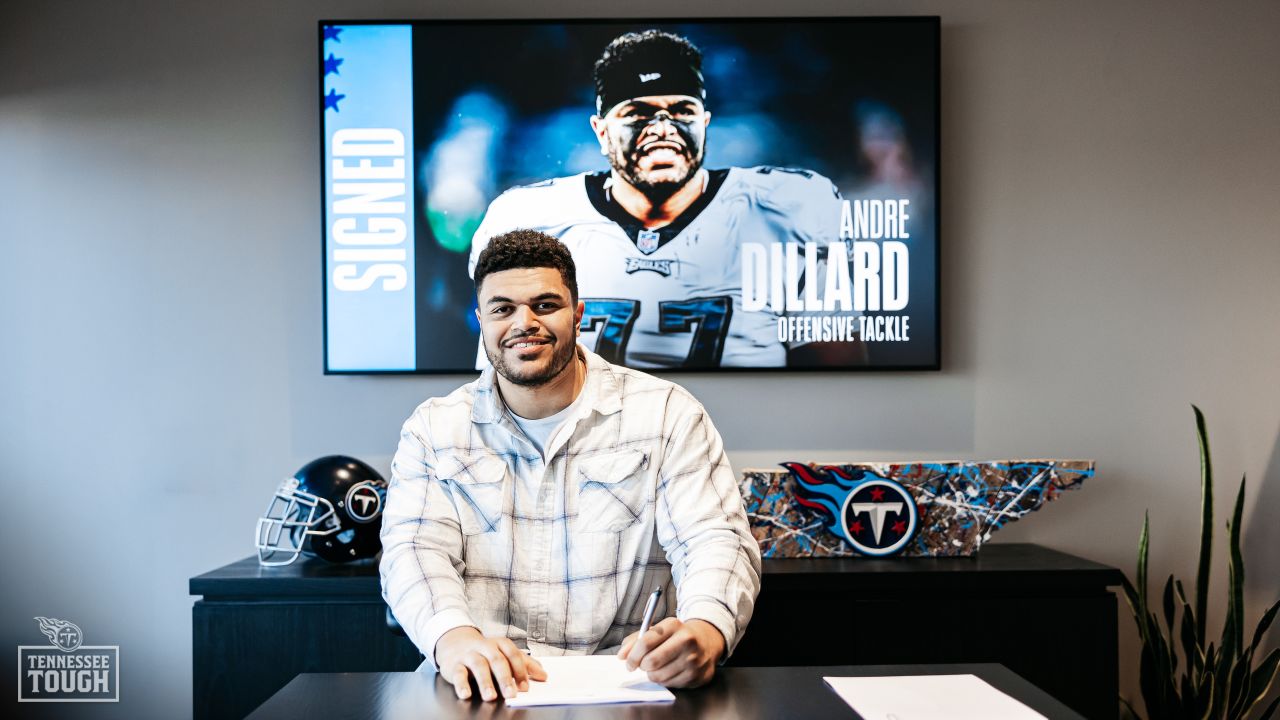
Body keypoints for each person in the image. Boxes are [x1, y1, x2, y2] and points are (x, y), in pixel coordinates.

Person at [382, 229, 762, 701]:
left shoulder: (667, 413)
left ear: (578, 314)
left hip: (629, 687)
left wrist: (707, 628)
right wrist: (455, 640)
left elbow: (713, 539)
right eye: (503, 309)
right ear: (481, 320)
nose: (525, 323)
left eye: (545, 305)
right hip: (482, 689)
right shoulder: (434, 429)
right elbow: (414, 551)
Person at [469, 29, 863, 369]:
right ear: (601, 131)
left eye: (681, 111)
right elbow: (502, 379)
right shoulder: (528, 217)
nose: (662, 129)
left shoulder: (789, 207)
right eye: (638, 114)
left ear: (705, 123)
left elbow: (839, 372)